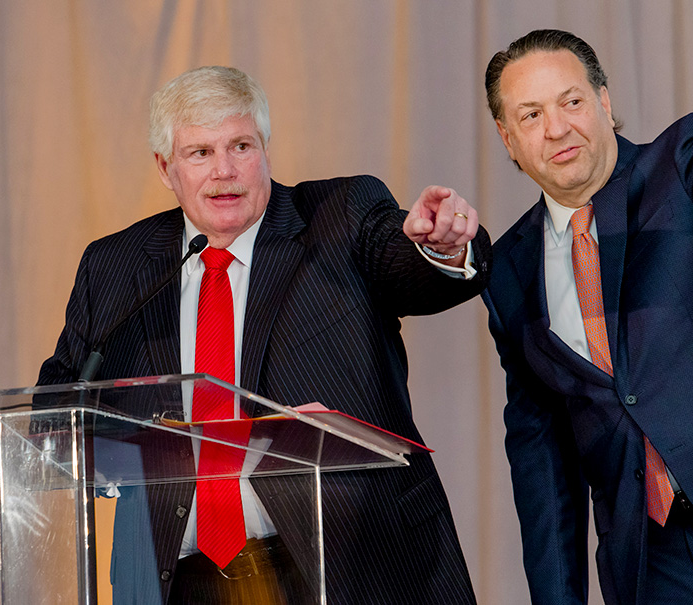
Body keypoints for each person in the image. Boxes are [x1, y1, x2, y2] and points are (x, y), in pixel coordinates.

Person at [38, 65, 491, 604]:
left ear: (266, 148)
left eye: (241, 146)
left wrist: (438, 247)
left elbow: (408, 267)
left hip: (344, 563)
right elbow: (58, 408)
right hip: (181, 580)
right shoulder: (114, 266)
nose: (224, 171)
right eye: (199, 153)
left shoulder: (338, 217)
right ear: (165, 168)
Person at [482, 29, 693, 603]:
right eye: (530, 115)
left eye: (571, 102)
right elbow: (541, 456)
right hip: (650, 559)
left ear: (604, 102)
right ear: (507, 138)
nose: (556, 129)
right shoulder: (507, 269)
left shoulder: (681, 166)